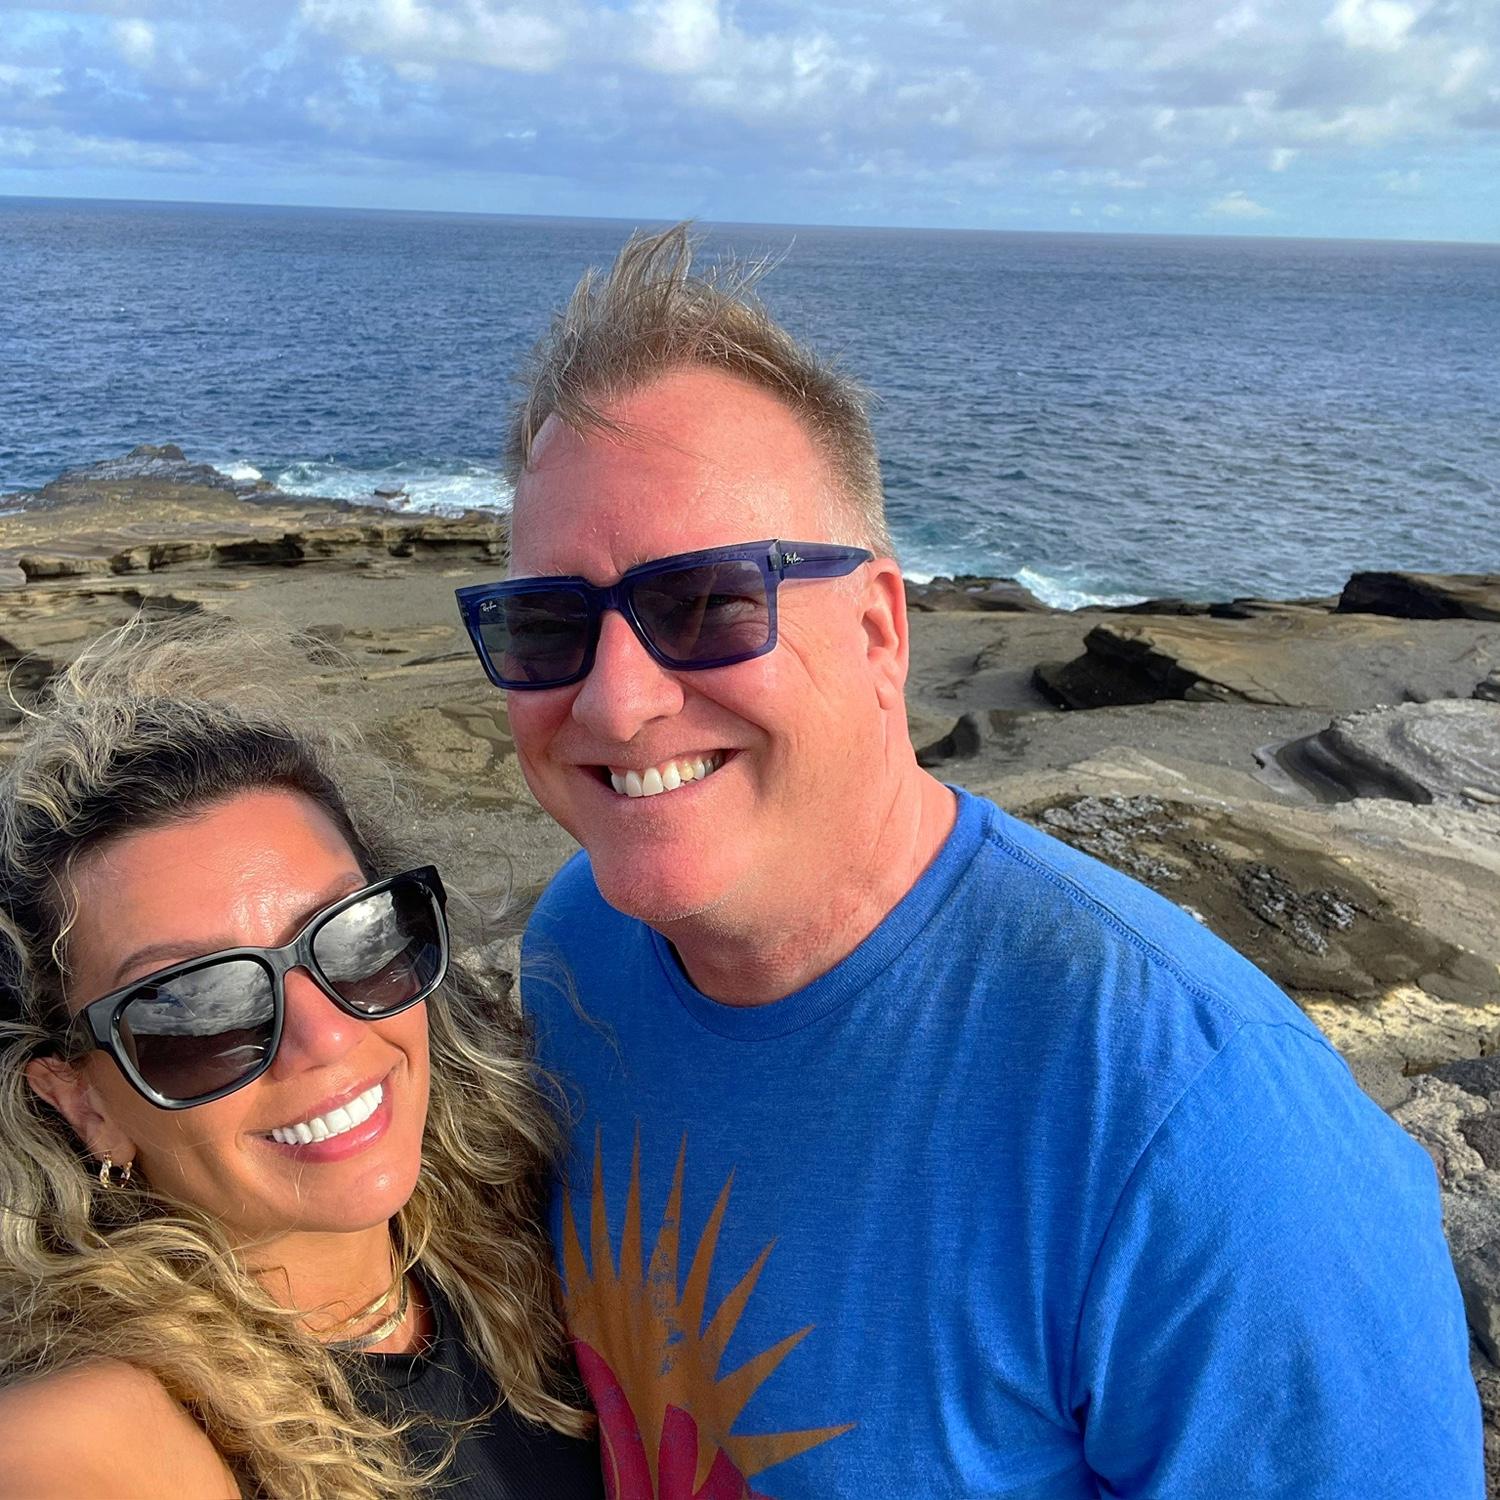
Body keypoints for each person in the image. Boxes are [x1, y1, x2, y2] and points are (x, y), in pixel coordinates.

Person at [453, 222, 1483, 1499]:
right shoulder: (580, 947)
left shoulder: (1201, 1131)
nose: (616, 702)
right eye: (547, 623)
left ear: (880, 629)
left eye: (706, 603)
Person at [0, 618, 605, 1500]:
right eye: (195, 1008)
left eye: (354, 937)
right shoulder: (99, 1435)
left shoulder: (531, 1235)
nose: (326, 1036)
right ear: (84, 1103)